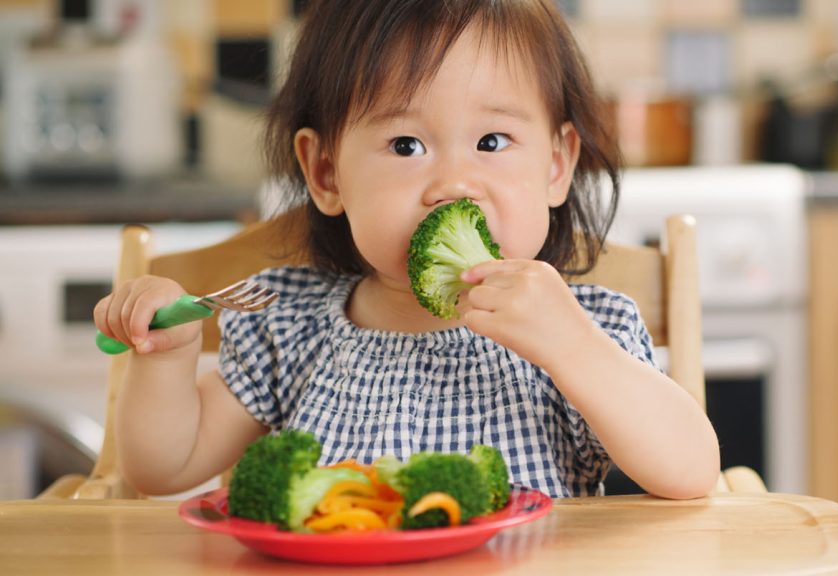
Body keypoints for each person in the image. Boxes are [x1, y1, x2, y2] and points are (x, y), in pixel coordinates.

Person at [94, 0, 719, 500]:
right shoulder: (290, 323)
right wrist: (166, 361)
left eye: (493, 141)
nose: (452, 184)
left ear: (557, 165)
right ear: (328, 173)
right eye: (405, 146)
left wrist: (573, 348)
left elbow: (691, 472)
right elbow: (163, 468)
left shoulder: (588, 328)